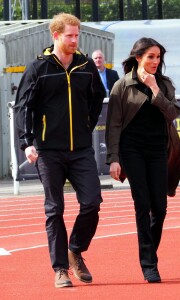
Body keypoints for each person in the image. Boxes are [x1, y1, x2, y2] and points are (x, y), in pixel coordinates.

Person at [14, 13, 106, 288]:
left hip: (80, 149)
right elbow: (23, 107)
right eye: (70, 36)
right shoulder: (38, 67)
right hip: (48, 150)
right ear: (56, 35)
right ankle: (61, 269)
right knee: (55, 209)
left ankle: (75, 249)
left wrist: (85, 126)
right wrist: (27, 142)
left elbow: (96, 98)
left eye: (77, 35)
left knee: (92, 202)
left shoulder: (86, 65)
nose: (75, 40)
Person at [105, 37, 180, 283]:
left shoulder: (164, 84)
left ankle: (149, 253)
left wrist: (156, 91)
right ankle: (149, 264)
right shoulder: (122, 85)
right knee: (142, 205)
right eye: (151, 57)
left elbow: (173, 113)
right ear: (138, 57)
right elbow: (114, 125)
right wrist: (114, 159)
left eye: (158, 57)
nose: (155, 62)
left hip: (158, 149)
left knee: (160, 208)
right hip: (132, 151)